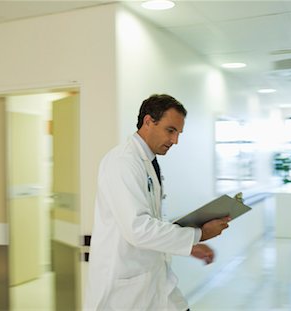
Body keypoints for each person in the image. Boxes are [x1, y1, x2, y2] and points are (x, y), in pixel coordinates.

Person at [85, 94, 231, 310]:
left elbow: (152, 220)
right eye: (170, 130)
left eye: (178, 133)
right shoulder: (123, 162)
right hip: (125, 289)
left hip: (154, 279)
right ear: (148, 122)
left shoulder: (148, 162)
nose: (175, 141)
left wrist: (189, 245)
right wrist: (200, 234)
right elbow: (138, 229)